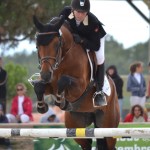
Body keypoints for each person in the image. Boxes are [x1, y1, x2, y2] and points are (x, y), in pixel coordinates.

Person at [58, 0, 107, 106]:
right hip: (74, 39)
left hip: (94, 39)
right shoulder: (65, 12)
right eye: (78, 12)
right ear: (72, 10)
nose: (80, 15)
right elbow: (58, 28)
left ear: (87, 12)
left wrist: (82, 41)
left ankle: (99, 91)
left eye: (83, 12)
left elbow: (95, 45)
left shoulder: (93, 22)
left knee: (100, 57)